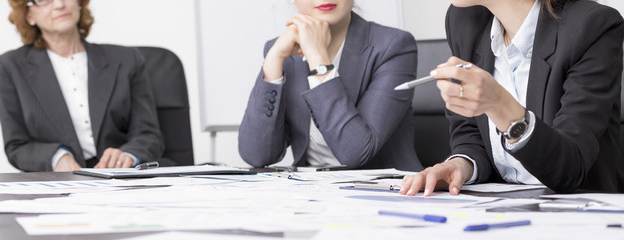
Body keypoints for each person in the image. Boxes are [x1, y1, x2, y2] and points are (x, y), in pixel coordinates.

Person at [400, 0, 624, 195]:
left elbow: (569, 168)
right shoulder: (464, 21)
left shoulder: (592, 26)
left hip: (578, 215)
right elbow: (469, 135)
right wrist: (461, 166)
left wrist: (499, 104)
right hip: (501, 212)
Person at [238, 0, 422, 170]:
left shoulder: (393, 46)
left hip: (384, 191)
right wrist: (273, 60)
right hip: (313, 191)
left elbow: (356, 152)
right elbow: (256, 155)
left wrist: (317, 58)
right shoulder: (283, 50)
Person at [0, 0, 164, 172]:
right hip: (60, 186)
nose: (59, 4)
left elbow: (149, 134)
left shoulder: (127, 59)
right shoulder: (10, 66)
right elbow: (16, 146)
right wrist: (56, 157)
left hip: (122, 179)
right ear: (29, 15)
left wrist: (128, 154)